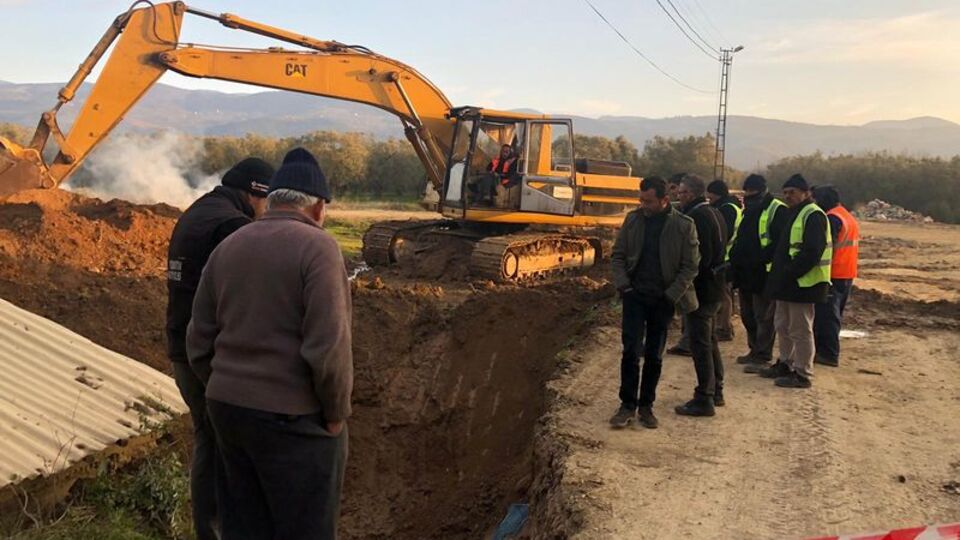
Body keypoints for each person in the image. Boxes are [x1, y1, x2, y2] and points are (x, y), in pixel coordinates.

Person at [187, 148, 353, 539]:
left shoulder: (231, 244)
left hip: (227, 411)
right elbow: (328, 347)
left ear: (273, 200)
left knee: (244, 526)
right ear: (317, 208)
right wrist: (334, 413)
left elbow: (198, 338)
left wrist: (223, 384)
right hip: (292, 419)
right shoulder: (319, 248)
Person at [165, 156, 275, 540]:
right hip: (209, 357)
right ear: (255, 193)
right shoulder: (233, 226)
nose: (266, 212)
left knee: (208, 441)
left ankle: (208, 531)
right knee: (232, 448)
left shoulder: (198, 212)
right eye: (267, 203)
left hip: (183, 347)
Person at [610, 176, 700, 429]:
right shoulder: (634, 220)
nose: (643, 205)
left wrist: (671, 295)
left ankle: (646, 406)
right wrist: (624, 285)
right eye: (641, 200)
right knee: (630, 351)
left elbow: (690, 266)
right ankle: (627, 404)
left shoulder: (683, 226)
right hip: (634, 296)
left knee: (654, 355)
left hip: (663, 299)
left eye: (648, 201)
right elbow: (617, 255)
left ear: (664, 200)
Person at [756, 173, 831, 388]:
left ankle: (802, 373)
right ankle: (785, 363)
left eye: (792, 192)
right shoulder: (795, 213)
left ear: (806, 193)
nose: (788, 196)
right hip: (787, 283)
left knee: (800, 329)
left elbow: (811, 252)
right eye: (785, 192)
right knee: (782, 325)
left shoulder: (813, 215)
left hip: (804, 284)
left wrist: (789, 273)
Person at [675, 175, 728, 416]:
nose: (679, 196)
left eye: (683, 192)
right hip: (716, 286)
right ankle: (715, 390)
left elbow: (699, 258)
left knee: (700, 343)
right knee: (710, 340)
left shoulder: (697, 217)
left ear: (695, 193)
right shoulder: (714, 212)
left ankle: (704, 398)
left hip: (703, 290)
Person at [730, 174, 788, 371]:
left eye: (752, 195)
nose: (749, 198)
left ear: (763, 192)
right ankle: (754, 349)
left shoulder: (777, 210)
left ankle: (763, 354)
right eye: (747, 195)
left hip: (764, 273)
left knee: (763, 317)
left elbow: (779, 243)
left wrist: (761, 259)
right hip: (746, 273)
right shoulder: (749, 210)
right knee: (748, 315)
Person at [812, 185, 859, 367]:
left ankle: (828, 354)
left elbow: (825, 248)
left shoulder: (832, 218)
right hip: (846, 272)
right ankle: (827, 351)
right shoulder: (846, 215)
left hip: (834, 273)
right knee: (834, 315)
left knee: (827, 317)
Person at [707, 179, 742, 342]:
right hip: (729, 255)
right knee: (724, 293)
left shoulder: (727, 209)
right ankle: (723, 326)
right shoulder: (730, 206)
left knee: (723, 294)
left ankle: (724, 328)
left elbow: (723, 233)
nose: (709, 199)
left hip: (726, 257)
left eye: (711, 196)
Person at [666, 172, 693, 356]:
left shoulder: (693, 218)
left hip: (687, 276)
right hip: (682, 275)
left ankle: (688, 343)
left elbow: (693, 260)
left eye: (679, 190)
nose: (676, 195)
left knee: (692, 312)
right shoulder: (684, 213)